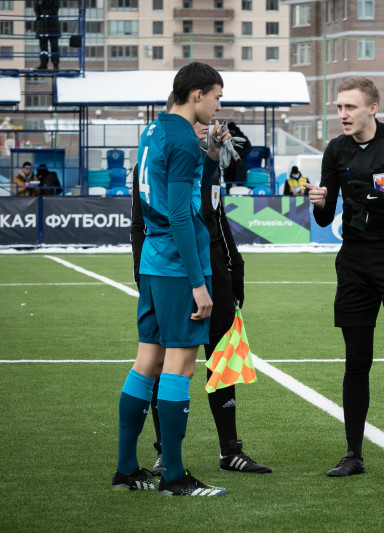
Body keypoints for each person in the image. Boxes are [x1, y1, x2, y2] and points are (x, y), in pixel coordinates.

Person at [131, 95, 271, 480]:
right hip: (176, 271)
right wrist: (141, 272)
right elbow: (140, 222)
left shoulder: (204, 163)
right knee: (169, 360)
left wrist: (236, 264)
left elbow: (217, 216)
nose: (206, 126)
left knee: (222, 355)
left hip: (216, 270)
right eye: (199, 121)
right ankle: (164, 454)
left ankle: (231, 451)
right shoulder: (161, 155)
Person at [112, 62, 230, 496]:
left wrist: (211, 156)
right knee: (179, 365)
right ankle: (174, 476)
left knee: (147, 362)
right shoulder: (183, 138)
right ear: (196, 94)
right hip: (179, 267)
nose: (219, 106)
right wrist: (199, 282)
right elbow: (182, 212)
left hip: (153, 262)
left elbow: (160, 195)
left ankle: (127, 469)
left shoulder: (153, 131)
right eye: (216, 96)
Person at [304, 76, 384, 477]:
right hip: (355, 261)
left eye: (350, 107)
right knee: (357, 361)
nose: (342, 114)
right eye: (339, 107)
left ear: (372, 109)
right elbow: (326, 219)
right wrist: (320, 203)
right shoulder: (336, 150)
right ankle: (353, 454)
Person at [222, 121, 251, 189]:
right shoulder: (225, 138)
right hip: (229, 164)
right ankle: (227, 194)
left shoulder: (243, 138)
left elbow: (249, 148)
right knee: (228, 183)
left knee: (239, 184)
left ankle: (239, 196)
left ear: (234, 130)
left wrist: (239, 153)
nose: (230, 132)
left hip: (239, 164)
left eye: (231, 130)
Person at [34, 0, 60, 71]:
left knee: (54, 47)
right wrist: (42, 15)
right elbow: (36, 9)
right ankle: (43, 64)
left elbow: (55, 9)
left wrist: (44, 14)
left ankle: (55, 64)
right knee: (43, 48)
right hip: (43, 26)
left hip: (52, 25)